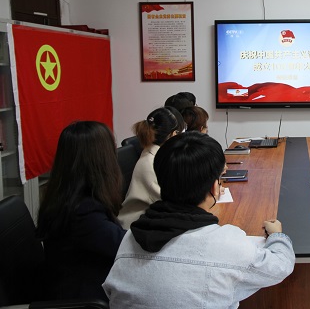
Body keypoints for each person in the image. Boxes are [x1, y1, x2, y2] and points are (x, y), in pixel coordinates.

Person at [103, 132, 295, 308]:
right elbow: (280, 266)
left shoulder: (129, 239)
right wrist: (277, 235)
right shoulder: (227, 244)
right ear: (214, 187)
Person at [36, 121, 126, 302]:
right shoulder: (83, 212)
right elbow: (124, 246)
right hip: (85, 299)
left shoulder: (65, 195)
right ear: (101, 160)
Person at [118, 106, 186, 229]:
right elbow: (174, 202)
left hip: (154, 219)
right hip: (135, 226)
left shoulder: (159, 154)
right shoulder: (150, 164)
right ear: (173, 134)